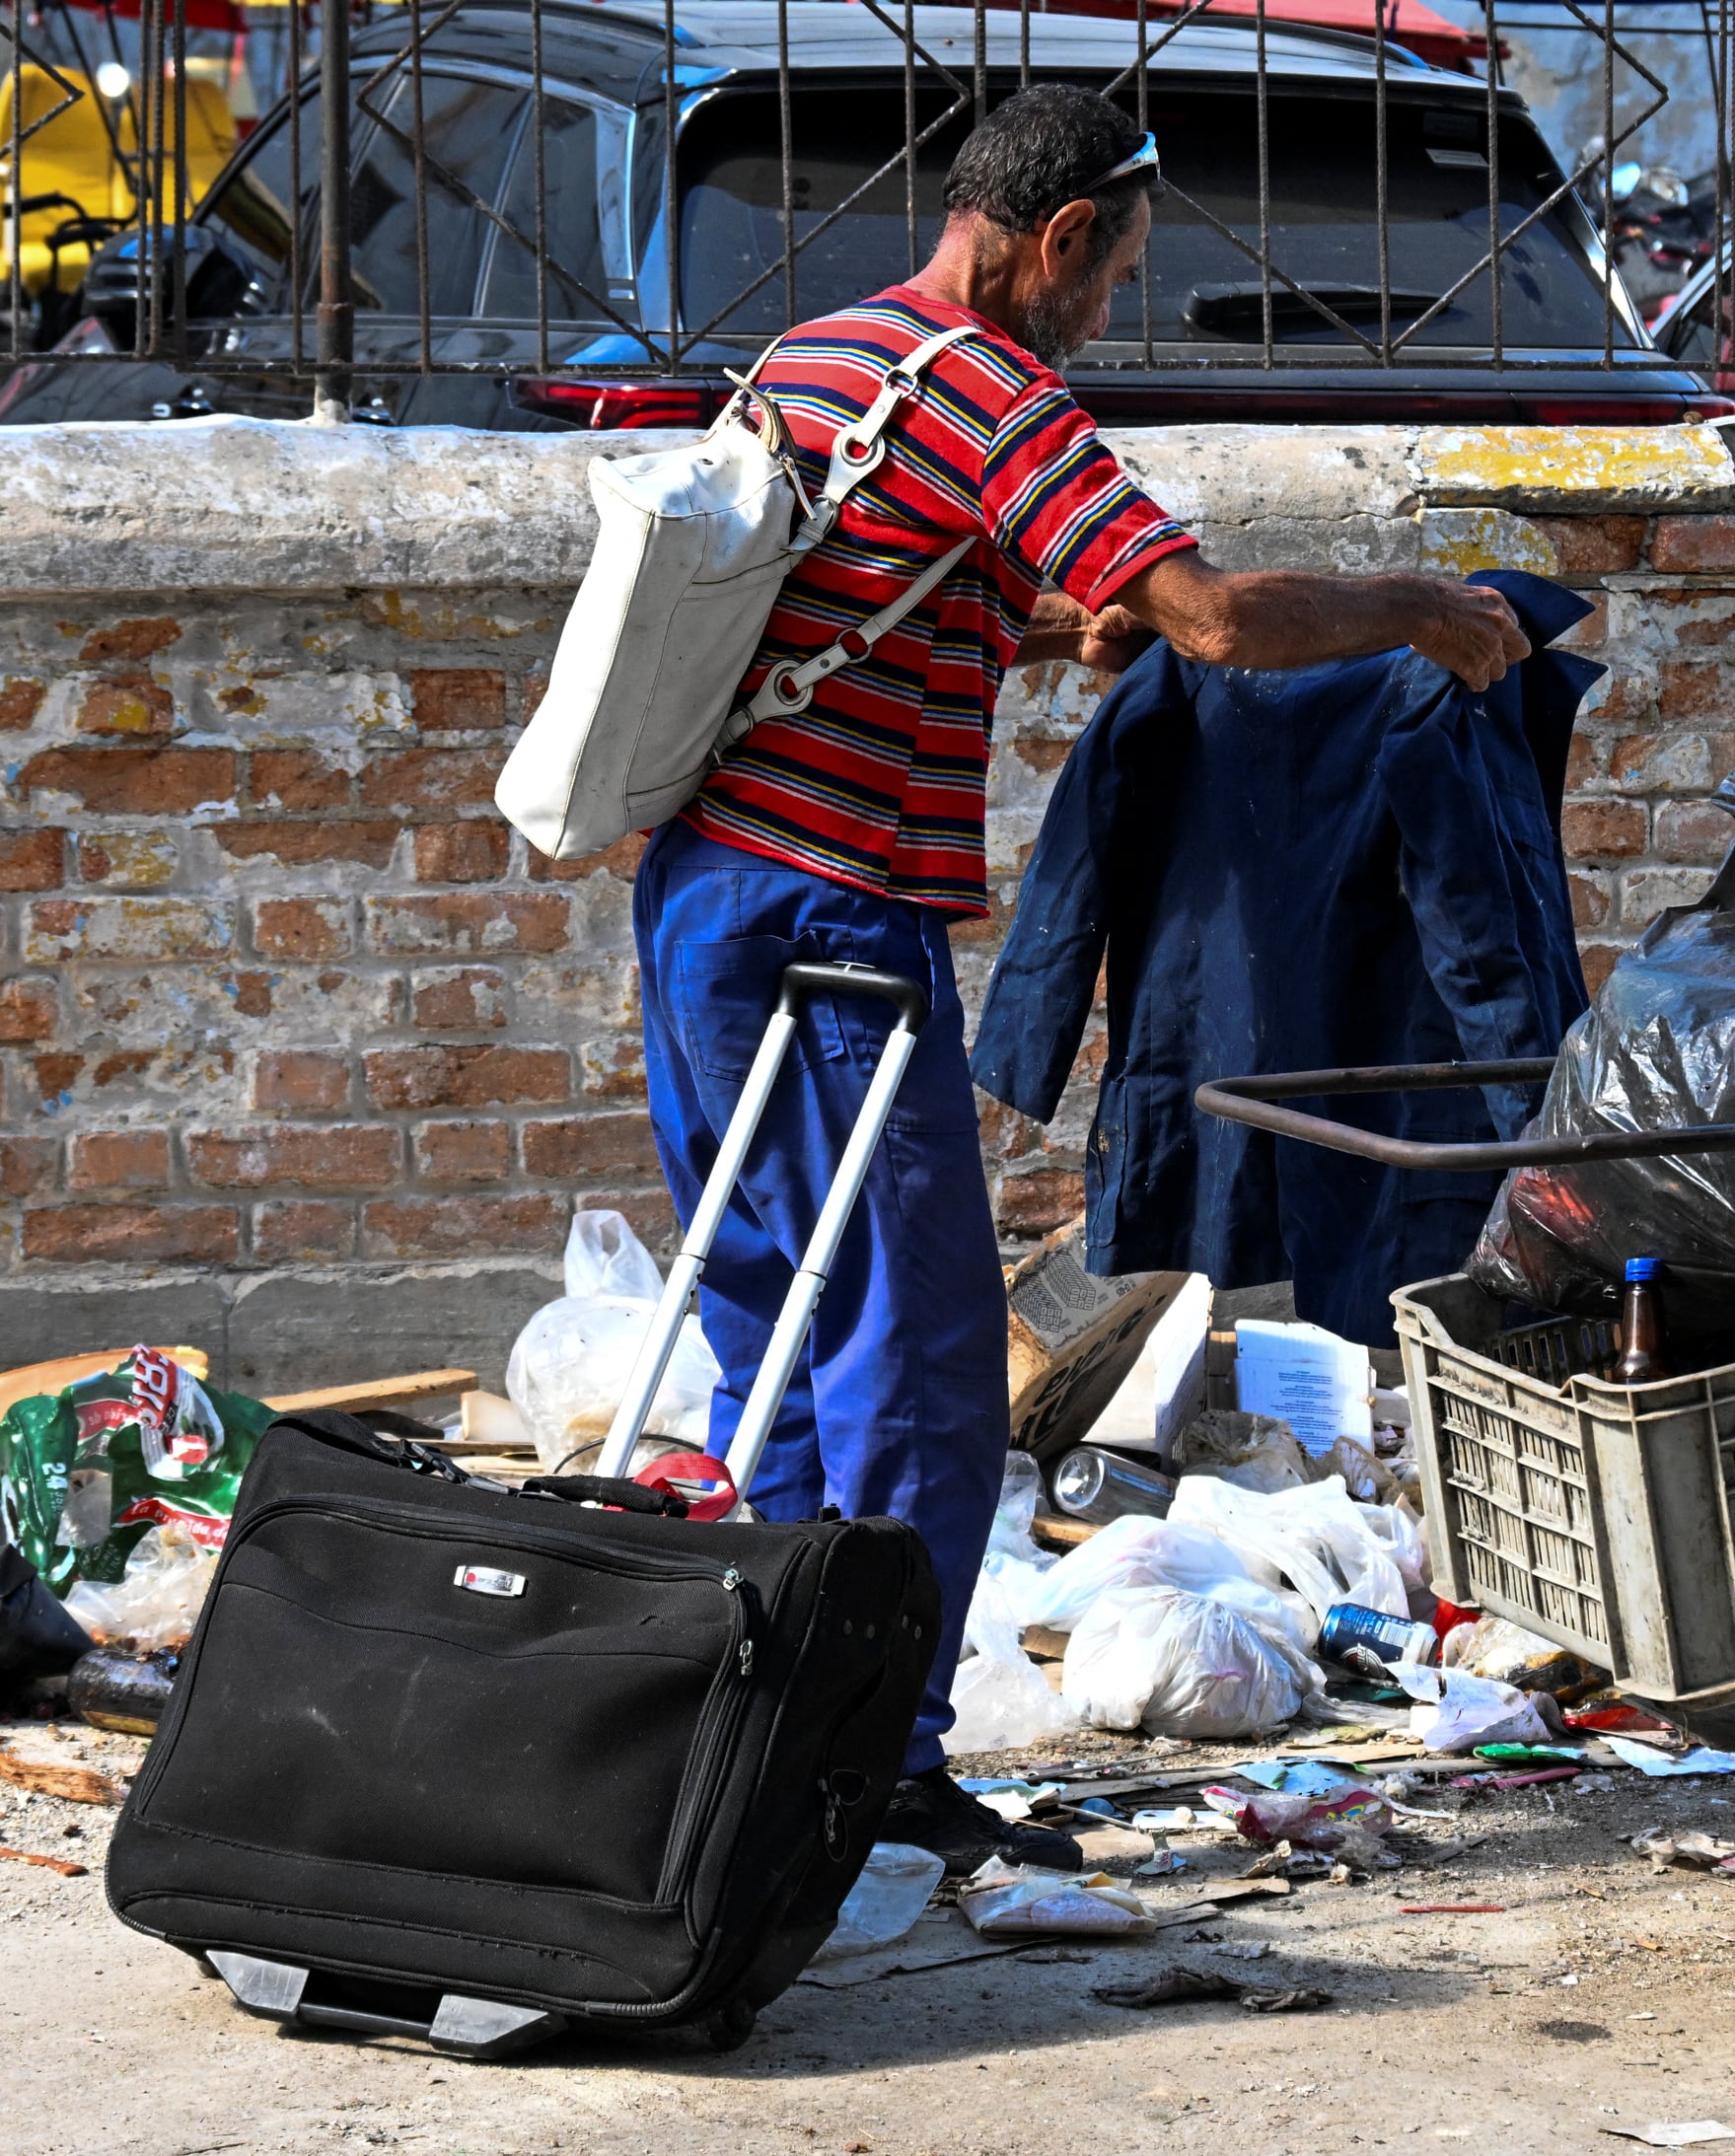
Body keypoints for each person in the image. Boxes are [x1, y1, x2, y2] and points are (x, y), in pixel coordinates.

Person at [631, 84, 1532, 1877]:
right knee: (927, 1363)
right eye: (1115, 270)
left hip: (704, 907)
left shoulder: (825, 354)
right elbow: (1220, 619)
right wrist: (1418, 601)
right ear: (1051, 241)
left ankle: (779, 1716)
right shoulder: (997, 387)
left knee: (776, 1340)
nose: (1114, 307)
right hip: (832, 930)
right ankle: (877, 1752)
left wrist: (1050, 618)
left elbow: (861, 592)